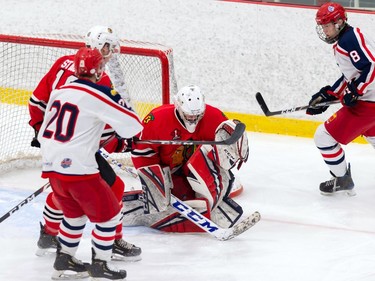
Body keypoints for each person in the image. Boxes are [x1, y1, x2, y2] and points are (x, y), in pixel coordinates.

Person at [29, 26, 141, 261]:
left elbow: (37, 100)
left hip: (52, 141)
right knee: (114, 189)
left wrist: (41, 132)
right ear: (101, 48)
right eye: (109, 48)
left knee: (64, 193)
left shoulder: (62, 63)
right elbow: (107, 128)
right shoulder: (101, 81)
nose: (112, 53)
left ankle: (49, 236)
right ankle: (111, 244)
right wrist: (120, 144)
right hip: (78, 149)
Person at [124, 85, 249, 232]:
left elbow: (226, 147)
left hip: (195, 168)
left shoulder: (214, 116)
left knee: (204, 196)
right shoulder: (158, 118)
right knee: (161, 205)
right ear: (178, 106)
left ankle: (213, 203)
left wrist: (238, 142)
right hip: (169, 171)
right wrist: (153, 178)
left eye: (197, 115)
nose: (193, 119)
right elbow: (142, 153)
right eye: (189, 115)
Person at [306, 2, 375, 195]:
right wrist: (329, 93)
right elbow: (351, 75)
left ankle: (341, 179)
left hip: (369, 103)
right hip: (370, 100)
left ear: (339, 22)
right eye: (322, 26)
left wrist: (356, 91)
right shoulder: (346, 39)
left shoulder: (349, 39)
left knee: (323, 137)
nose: (324, 31)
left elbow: (372, 66)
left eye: (326, 26)